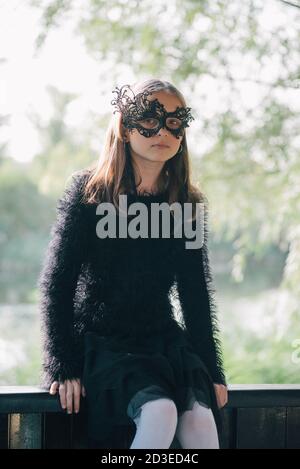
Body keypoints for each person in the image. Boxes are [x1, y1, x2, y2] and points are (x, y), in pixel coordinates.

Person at [38, 78, 228, 449]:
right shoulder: (89, 193)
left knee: (202, 422)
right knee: (159, 413)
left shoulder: (187, 205)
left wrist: (212, 367)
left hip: (162, 340)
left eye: (175, 121)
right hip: (103, 341)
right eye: (151, 118)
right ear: (125, 127)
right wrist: (62, 364)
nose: (163, 131)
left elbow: (194, 293)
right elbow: (58, 284)